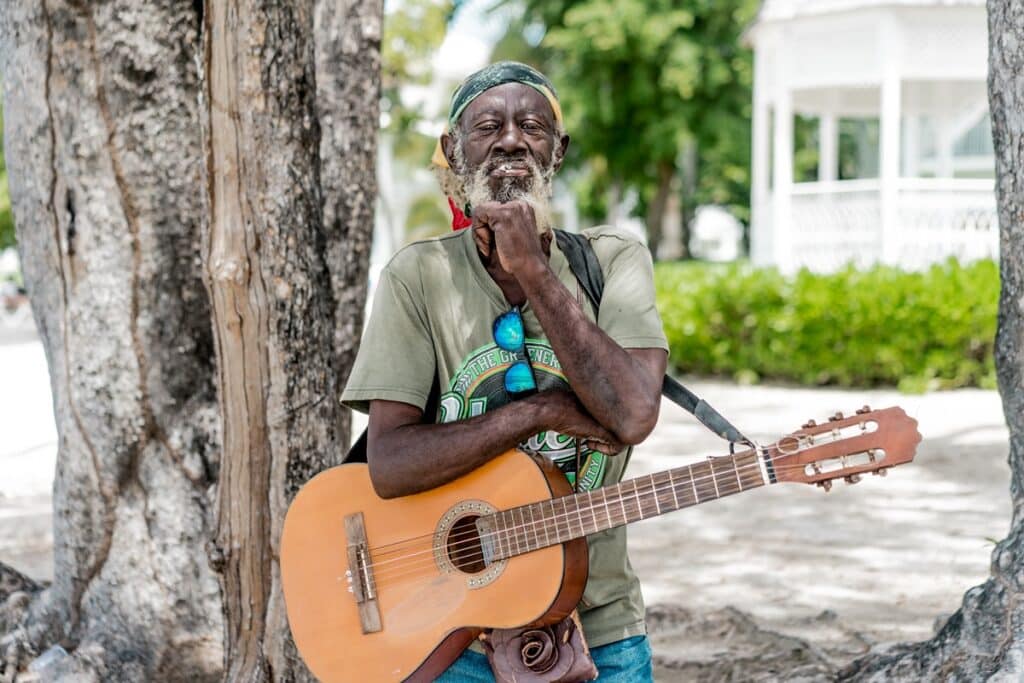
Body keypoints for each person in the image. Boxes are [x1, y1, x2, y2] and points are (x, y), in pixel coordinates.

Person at [341, 61, 668, 682]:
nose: (512, 140)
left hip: (602, 632)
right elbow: (388, 465)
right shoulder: (417, 277)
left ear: (559, 151)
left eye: (534, 127)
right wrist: (538, 411)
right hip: (454, 633)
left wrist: (534, 271)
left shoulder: (615, 260)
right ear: (453, 150)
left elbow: (632, 414)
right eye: (488, 125)